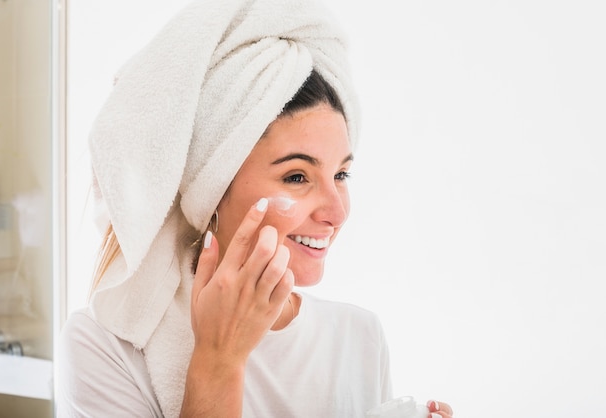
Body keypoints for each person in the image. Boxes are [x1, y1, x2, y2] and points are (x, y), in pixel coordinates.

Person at [57, 0, 454, 417]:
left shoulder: (359, 337)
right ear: (213, 187)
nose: (336, 213)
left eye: (341, 175)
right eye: (297, 177)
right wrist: (218, 360)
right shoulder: (105, 350)